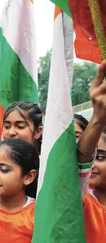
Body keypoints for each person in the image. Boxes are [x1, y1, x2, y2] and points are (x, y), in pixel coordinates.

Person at [76, 61, 106, 243]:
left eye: (101, 157)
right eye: (93, 156)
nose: (92, 164)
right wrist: (97, 118)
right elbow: (81, 163)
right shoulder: (82, 199)